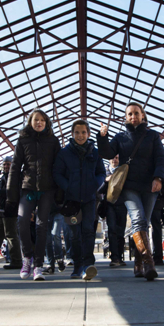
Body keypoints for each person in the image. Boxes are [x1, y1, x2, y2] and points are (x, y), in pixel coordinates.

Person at [97, 102, 164, 281]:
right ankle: (149, 263)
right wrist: (102, 136)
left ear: (143, 115)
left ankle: (138, 263)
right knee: (137, 219)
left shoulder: (152, 136)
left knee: (143, 223)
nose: (133, 116)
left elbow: (161, 159)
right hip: (128, 186)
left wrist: (158, 178)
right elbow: (106, 153)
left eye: (136, 113)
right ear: (125, 117)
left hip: (149, 185)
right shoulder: (120, 137)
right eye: (129, 114)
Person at [7, 109, 60, 281]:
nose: (39, 123)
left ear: (47, 123)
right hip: (28, 187)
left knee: (41, 225)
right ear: (30, 122)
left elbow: (58, 166)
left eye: (42, 120)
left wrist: (59, 191)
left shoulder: (53, 140)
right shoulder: (23, 140)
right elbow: (15, 167)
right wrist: (11, 196)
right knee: (22, 220)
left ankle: (38, 266)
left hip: (47, 189)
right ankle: (26, 259)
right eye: (36, 120)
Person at [53, 119, 106, 280]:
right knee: (74, 233)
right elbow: (57, 173)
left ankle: (88, 264)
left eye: (83, 132)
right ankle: (77, 265)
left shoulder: (95, 152)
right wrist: (68, 187)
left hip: (90, 198)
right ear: (72, 134)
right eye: (77, 132)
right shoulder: (64, 153)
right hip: (72, 201)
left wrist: (95, 185)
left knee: (88, 231)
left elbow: (101, 172)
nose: (80, 135)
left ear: (89, 134)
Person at [0, 156, 22, 270]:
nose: (5, 166)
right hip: (1, 209)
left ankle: (17, 261)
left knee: (11, 235)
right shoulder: (3, 177)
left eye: (8, 164)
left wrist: (0, 191)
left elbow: (15, 192)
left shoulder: (15, 177)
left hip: (10, 209)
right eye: (4, 164)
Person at [104, 156, 128, 267]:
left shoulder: (123, 170)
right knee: (112, 230)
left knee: (121, 231)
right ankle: (114, 257)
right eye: (113, 158)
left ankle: (120, 256)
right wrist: (105, 181)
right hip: (109, 204)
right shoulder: (104, 171)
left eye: (117, 158)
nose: (115, 160)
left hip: (122, 203)